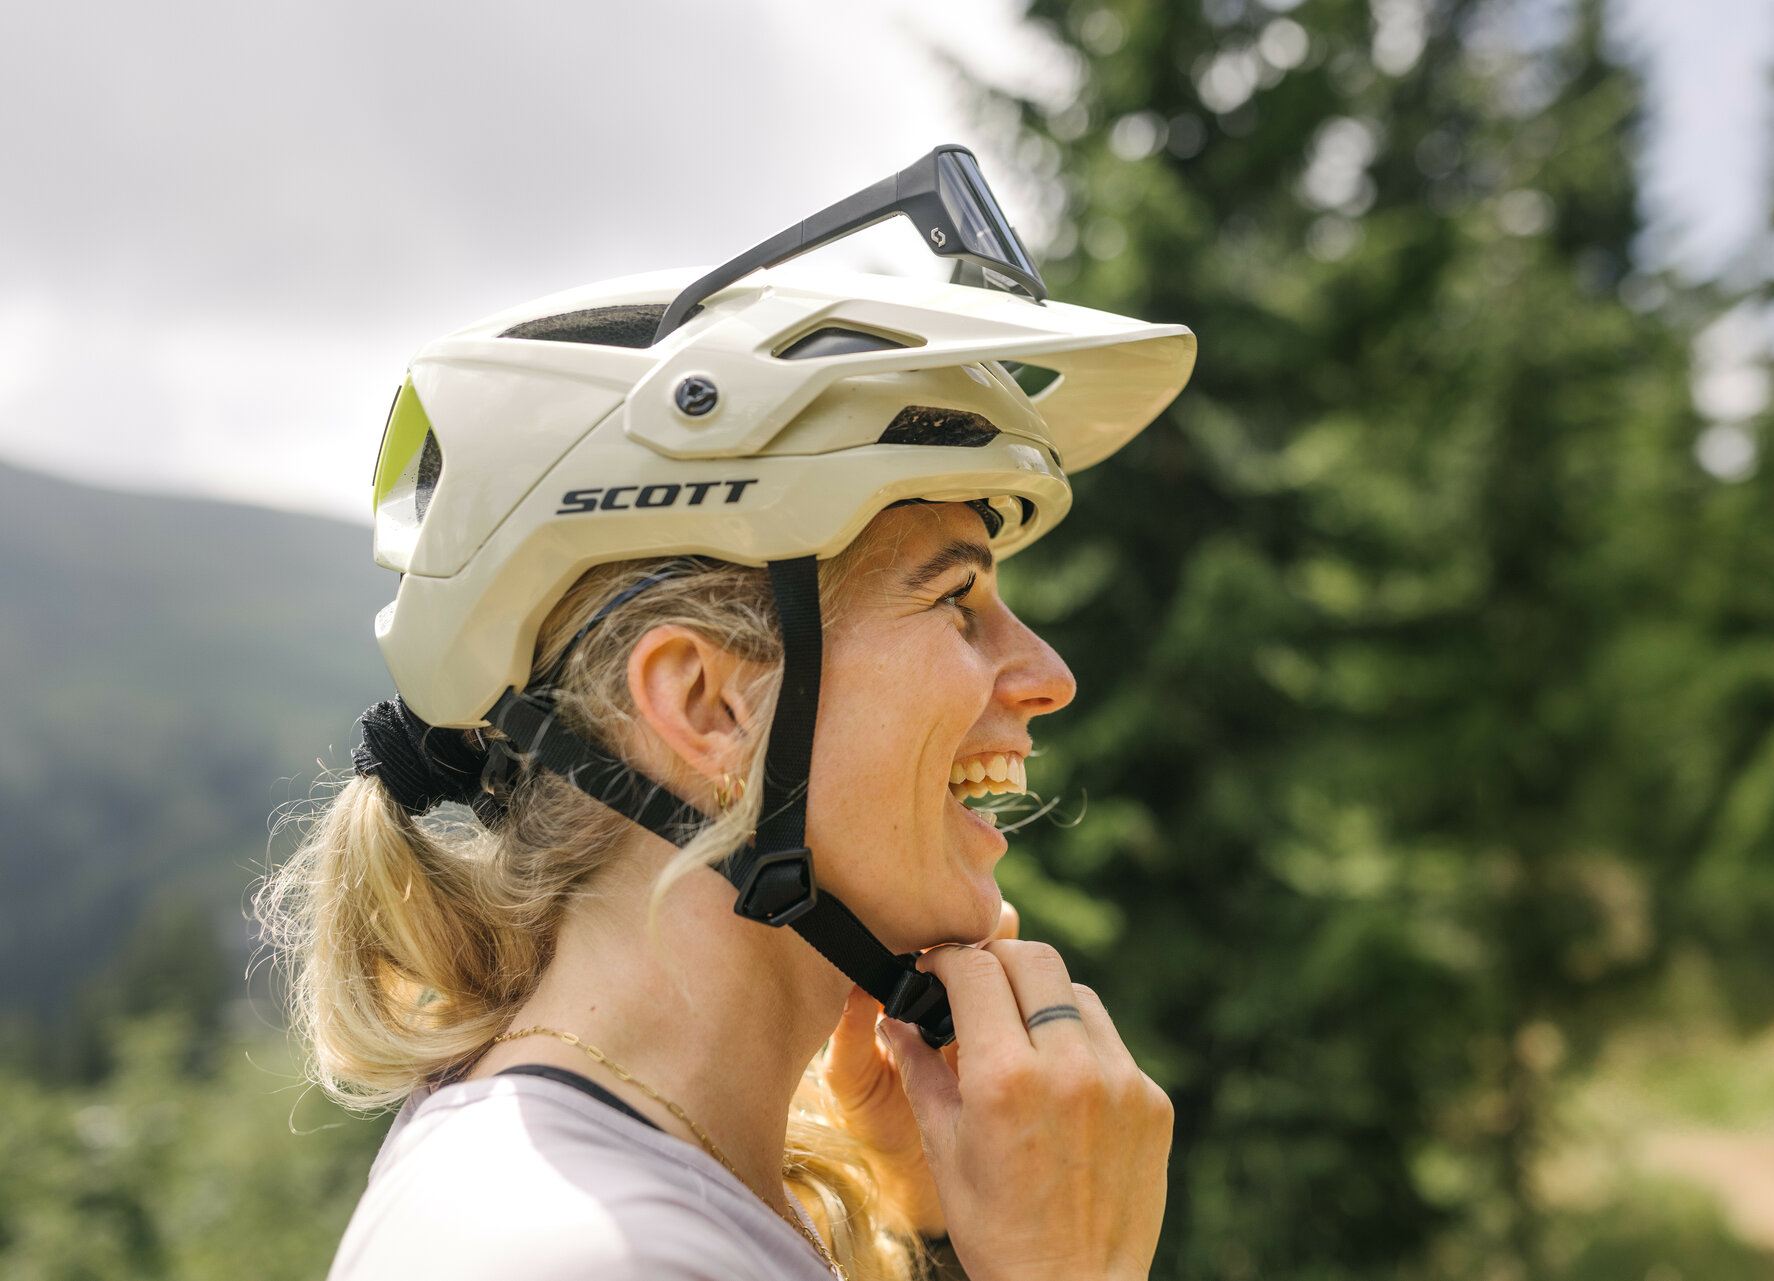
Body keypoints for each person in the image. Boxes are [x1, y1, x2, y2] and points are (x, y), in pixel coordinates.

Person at [258, 145, 1195, 1281]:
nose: (1047, 674)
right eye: (956, 601)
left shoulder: (634, 1192)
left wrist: (943, 1244)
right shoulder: (574, 1251)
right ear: (707, 707)